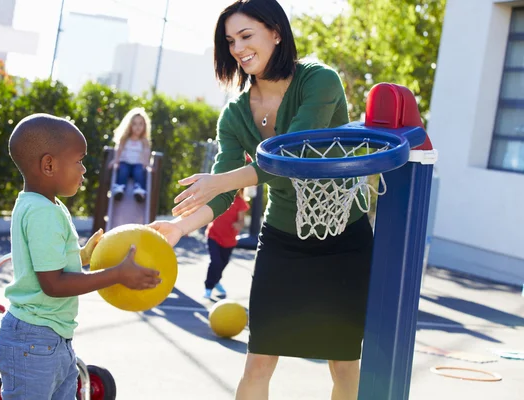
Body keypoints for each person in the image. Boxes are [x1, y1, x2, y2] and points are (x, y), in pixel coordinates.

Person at [149, 1, 373, 399]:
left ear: (276, 32)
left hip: (344, 236)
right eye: (230, 40)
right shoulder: (234, 115)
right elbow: (224, 195)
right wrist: (179, 226)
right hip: (283, 238)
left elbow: (295, 156)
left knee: (343, 363)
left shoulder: (318, 81)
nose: (237, 48)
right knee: (259, 360)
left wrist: (220, 181)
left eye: (246, 35)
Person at [0, 113, 161, 399]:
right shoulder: (42, 212)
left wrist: (83, 255)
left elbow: (51, 262)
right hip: (34, 339)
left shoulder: (45, 204)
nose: (84, 170)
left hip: (50, 336)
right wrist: (117, 275)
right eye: (79, 161)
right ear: (49, 165)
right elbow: (54, 284)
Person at [203, 188, 250, 299]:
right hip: (213, 236)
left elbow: (241, 221)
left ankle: (216, 281)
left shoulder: (240, 202)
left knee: (222, 263)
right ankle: (208, 287)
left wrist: (239, 224)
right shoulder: (219, 197)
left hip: (229, 241)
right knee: (216, 262)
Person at [109, 107, 152, 202]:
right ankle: (119, 188)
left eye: (141, 124)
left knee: (139, 172)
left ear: (145, 126)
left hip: (138, 163)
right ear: (129, 125)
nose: (138, 127)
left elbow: (146, 151)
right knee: (123, 170)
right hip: (125, 162)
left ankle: (139, 190)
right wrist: (116, 160)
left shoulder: (144, 141)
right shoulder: (125, 139)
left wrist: (146, 162)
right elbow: (119, 148)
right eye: (135, 124)